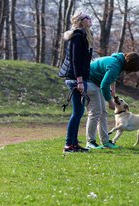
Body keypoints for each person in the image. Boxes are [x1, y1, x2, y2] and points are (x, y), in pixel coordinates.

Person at [85, 52, 139, 149]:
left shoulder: (118, 61)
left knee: (103, 113)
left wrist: (113, 90)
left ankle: (105, 142)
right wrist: (110, 101)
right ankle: (90, 142)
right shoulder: (115, 65)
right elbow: (104, 85)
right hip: (88, 81)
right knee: (95, 113)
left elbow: (111, 78)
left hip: (96, 83)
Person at [58, 10, 93, 153]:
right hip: (75, 79)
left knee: (78, 113)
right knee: (77, 113)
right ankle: (69, 145)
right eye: (87, 17)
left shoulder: (85, 35)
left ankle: (73, 144)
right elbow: (76, 60)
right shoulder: (78, 36)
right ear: (80, 21)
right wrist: (79, 81)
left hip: (80, 78)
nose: (90, 19)